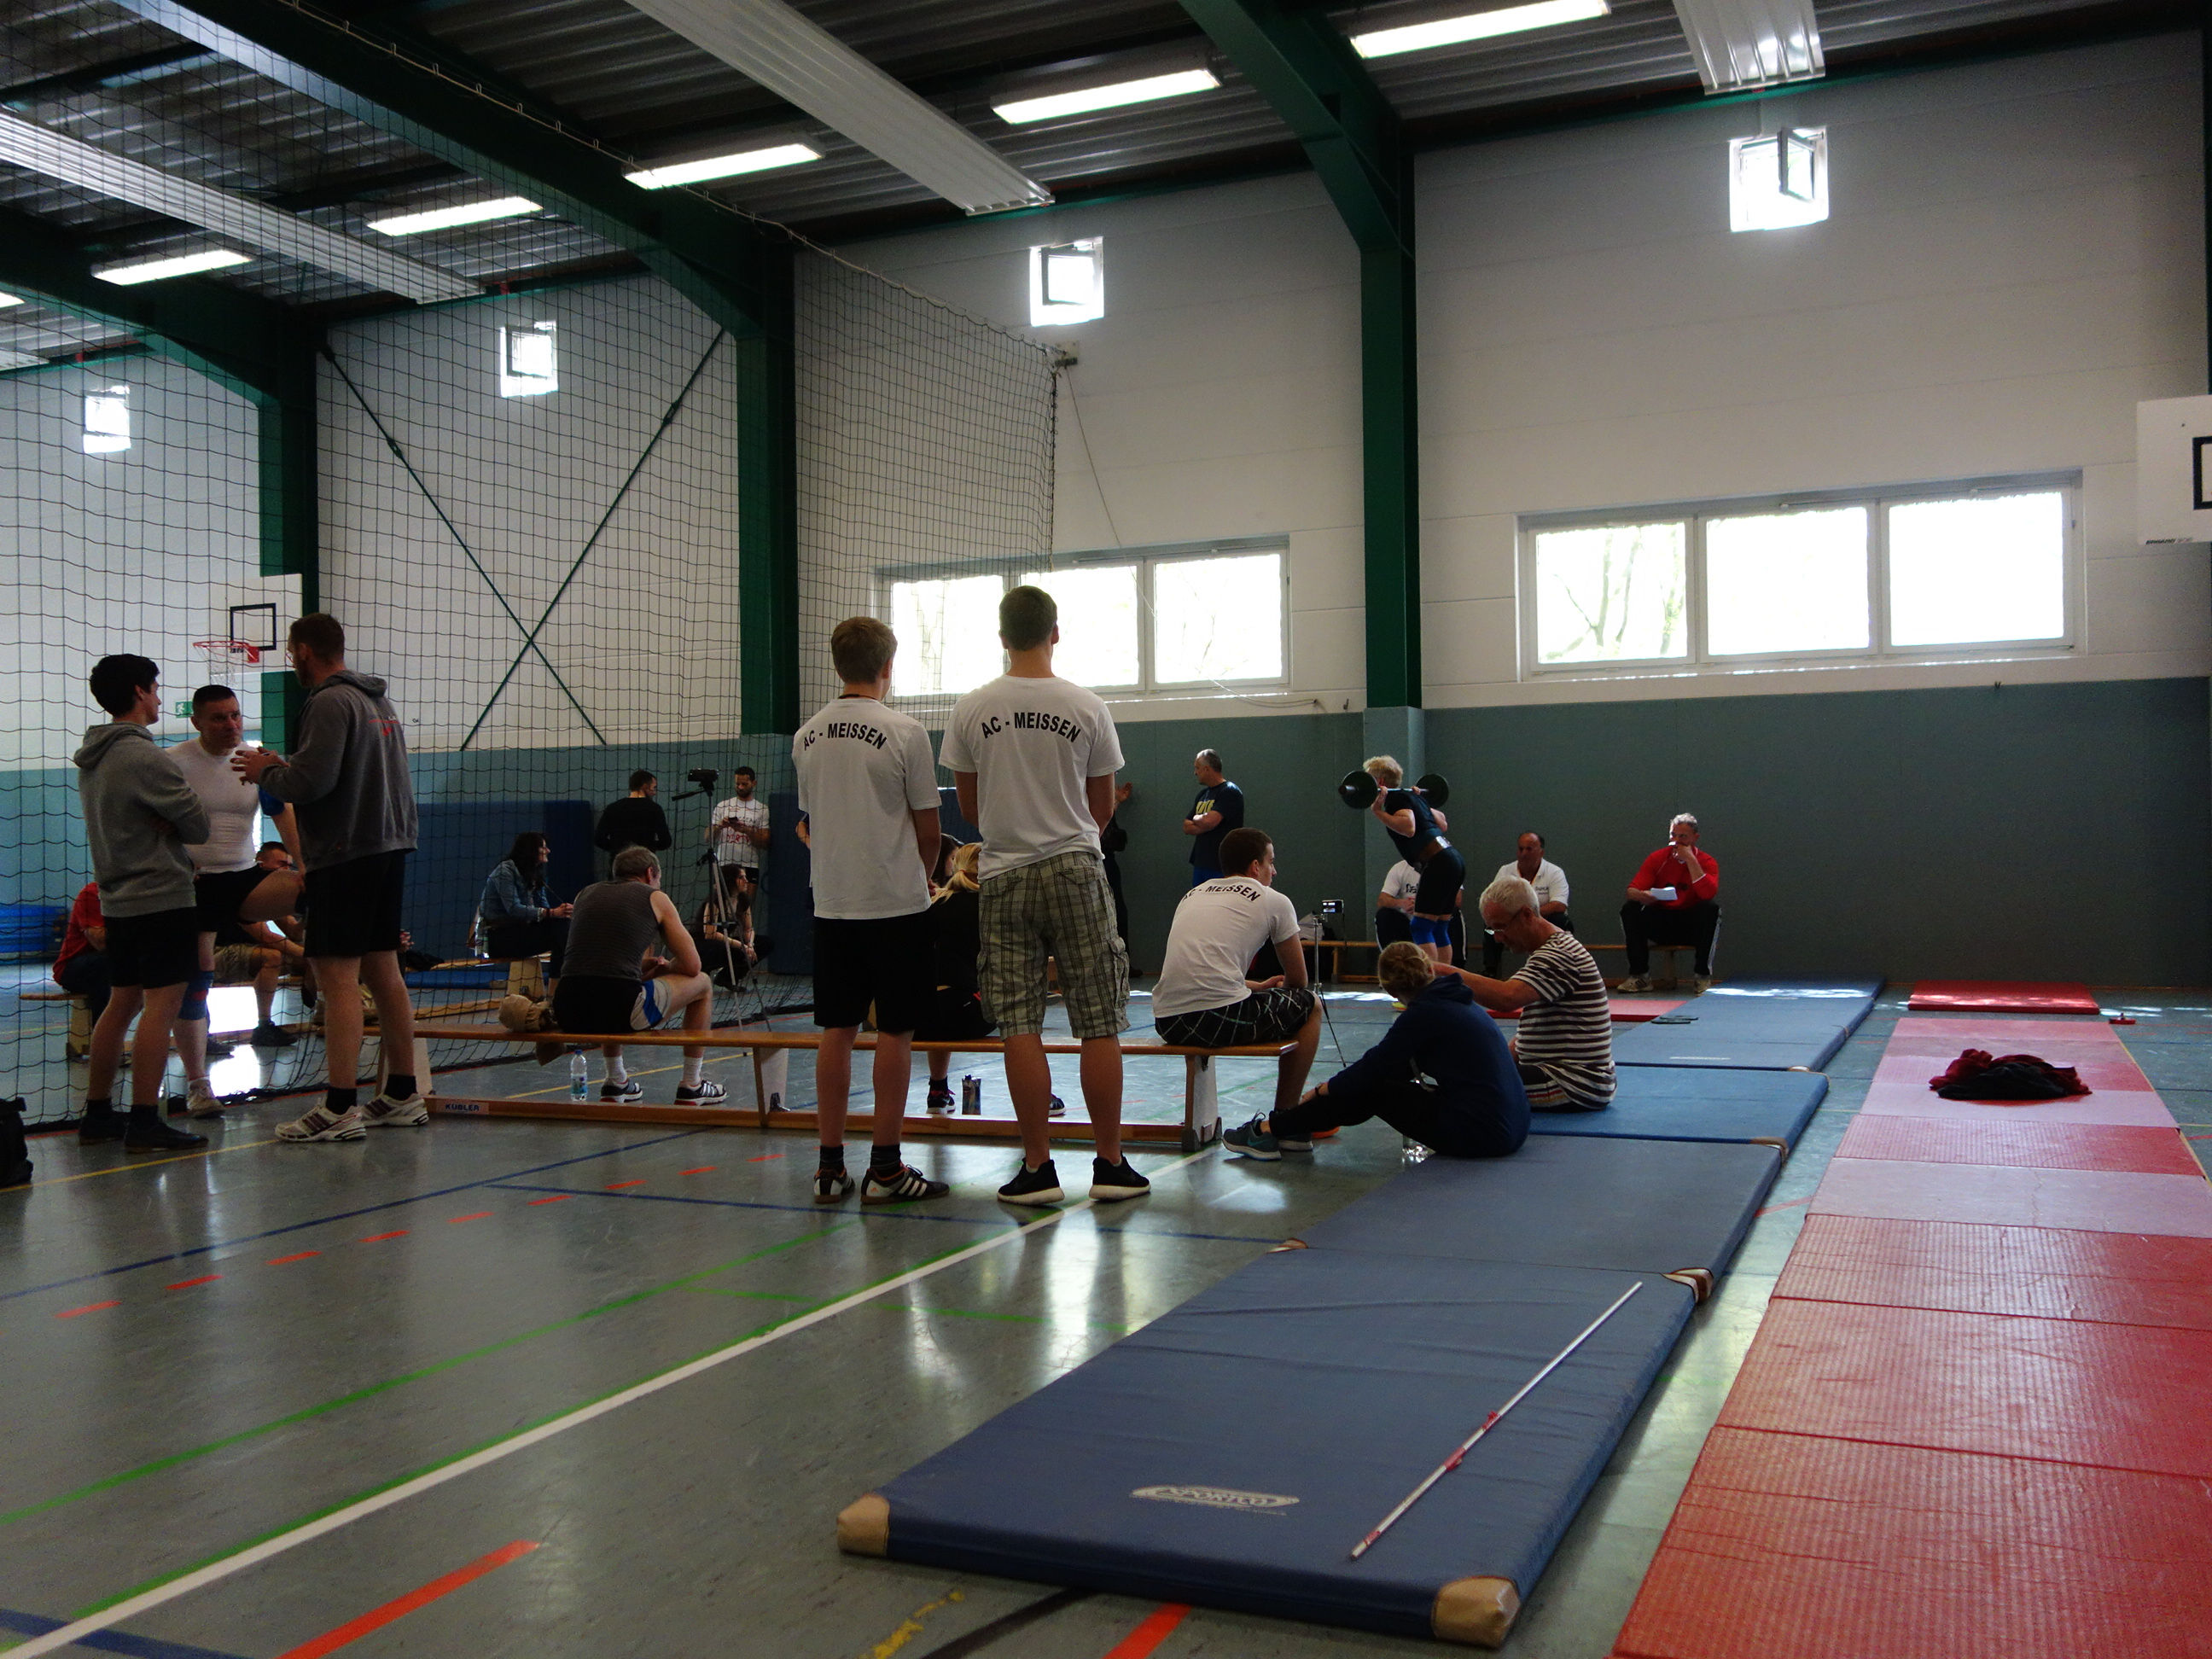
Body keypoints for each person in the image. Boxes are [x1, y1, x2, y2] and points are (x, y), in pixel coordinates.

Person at [941, 584, 1147, 1206]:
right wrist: (1068, 830)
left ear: (1003, 637)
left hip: (1004, 874)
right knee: (1099, 1022)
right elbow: (1102, 806)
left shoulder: (972, 708)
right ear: (1055, 633)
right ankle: (1110, 1165)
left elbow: (970, 807)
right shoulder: (1087, 706)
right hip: (1077, 867)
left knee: (1019, 1023)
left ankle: (1038, 1169)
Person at [233, 613, 425, 1144]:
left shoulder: (327, 702)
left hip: (345, 852)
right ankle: (403, 1094)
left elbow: (312, 783)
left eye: (291, 652)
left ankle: (340, 1106)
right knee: (384, 969)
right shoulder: (377, 702)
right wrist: (287, 765)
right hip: (389, 845)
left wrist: (267, 771)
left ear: (302, 651)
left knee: (337, 978)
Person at [793, 616, 949, 1204]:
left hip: (833, 903)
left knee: (837, 1028)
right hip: (896, 904)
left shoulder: (806, 736)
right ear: (888, 666)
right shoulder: (907, 732)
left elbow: (812, 820)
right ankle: (885, 1167)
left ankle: (829, 1167)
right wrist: (924, 877)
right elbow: (929, 830)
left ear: (838, 665)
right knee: (897, 1030)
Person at [72, 654, 212, 1151]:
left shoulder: (94, 756)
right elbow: (199, 826)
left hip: (118, 900)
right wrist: (176, 822)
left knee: (122, 1001)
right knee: (162, 1007)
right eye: (154, 688)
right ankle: (145, 1120)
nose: (157, 697)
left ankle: (97, 1114)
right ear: (138, 691)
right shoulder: (144, 756)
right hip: (161, 898)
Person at [1221, 941, 1529, 1161]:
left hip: (1486, 1135)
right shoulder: (1458, 1000)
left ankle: (1270, 1129)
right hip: (1513, 1125)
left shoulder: (1424, 1015)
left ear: (1390, 990)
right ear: (1428, 970)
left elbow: (1372, 1070)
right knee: (1377, 1085)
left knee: (1373, 1089)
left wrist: (1321, 1090)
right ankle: (1292, 1128)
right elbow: (1390, 1067)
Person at [172, 684, 306, 1080]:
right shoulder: (174, 762)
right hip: (197, 883)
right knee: (197, 972)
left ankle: (322, 976)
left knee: (319, 886)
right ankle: (198, 1080)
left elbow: (283, 812)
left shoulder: (254, 760)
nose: (231, 724)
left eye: (235, 715)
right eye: (218, 718)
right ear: (196, 722)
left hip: (244, 878)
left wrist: (304, 864)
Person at [1151, 827, 1321, 1121]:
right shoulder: (1273, 899)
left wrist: (1257, 987)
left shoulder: (1192, 894)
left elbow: (1202, 973)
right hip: (1217, 1019)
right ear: (1255, 866)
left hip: (1168, 1021)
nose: (1274, 871)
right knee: (1311, 1004)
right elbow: (1298, 980)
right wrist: (1277, 992)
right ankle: (1286, 1119)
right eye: (1271, 862)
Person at [550, 847, 725, 1104]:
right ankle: (692, 1084)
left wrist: (646, 966)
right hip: (620, 1011)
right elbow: (692, 965)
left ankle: (617, 1080)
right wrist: (666, 968)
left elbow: (601, 962)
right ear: (650, 873)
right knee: (703, 983)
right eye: (658, 878)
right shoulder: (655, 897)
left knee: (611, 986)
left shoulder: (585, 894)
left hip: (567, 1010)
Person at [1436, 875, 1615, 1111]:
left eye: (1501, 927)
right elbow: (1528, 1034)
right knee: (1467, 1071)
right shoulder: (1549, 949)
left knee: (1464, 1087)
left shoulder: (1558, 954)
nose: (1498, 938)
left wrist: (1441, 970)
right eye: (1492, 930)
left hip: (1573, 1083)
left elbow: (1506, 998)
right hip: (1572, 1078)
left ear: (1527, 915)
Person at [916, 841, 994, 1113]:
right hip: (964, 1014)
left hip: (920, 1015)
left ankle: (937, 1090)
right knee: (1019, 1008)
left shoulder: (935, 902)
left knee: (942, 999)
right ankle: (1038, 1092)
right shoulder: (988, 906)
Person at [1364, 755, 1463, 967]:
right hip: (1453, 859)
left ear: (1380, 781)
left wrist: (1378, 812)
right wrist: (1421, 802)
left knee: (1420, 927)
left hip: (1437, 862)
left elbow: (1409, 828)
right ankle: (1445, 980)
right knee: (1439, 927)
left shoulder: (1395, 799)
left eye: (1369, 779)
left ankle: (1429, 982)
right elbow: (1443, 824)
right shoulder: (1413, 797)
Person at [1620, 813, 1721, 992]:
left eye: (1683, 836)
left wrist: (1690, 859)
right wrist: (1643, 895)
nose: (1677, 841)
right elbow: (1631, 891)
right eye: (1673, 835)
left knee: (1711, 909)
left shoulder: (1707, 862)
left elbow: (1707, 894)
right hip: (1663, 923)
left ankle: (1702, 977)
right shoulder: (1658, 858)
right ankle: (1640, 977)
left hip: (1691, 926)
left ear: (1695, 838)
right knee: (1630, 909)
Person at [479, 832, 572, 976]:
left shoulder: (533, 873)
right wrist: (552, 913)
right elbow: (514, 909)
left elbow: (544, 907)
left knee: (564, 926)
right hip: (499, 937)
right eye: (543, 847)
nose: (548, 851)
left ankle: (558, 982)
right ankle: (558, 982)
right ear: (531, 850)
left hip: (520, 931)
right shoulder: (504, 872)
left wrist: (563, 913)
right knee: (560, 933)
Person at [1481, 831, 1573, 976]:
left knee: (1560, 919)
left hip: (1542, 920)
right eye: (1521, 849)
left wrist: (1530, 915)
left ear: (1541, 852)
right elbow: (1494, 899)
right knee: (1491, 927)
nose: (1524, 854)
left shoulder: (1554, 872)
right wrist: (1515, 917)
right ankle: (1490, 970)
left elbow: (1559, 905)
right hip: (1512, 920)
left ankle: (1558, 966)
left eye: (1529, 849)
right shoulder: (1505, 871)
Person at [709, 766, 771, 912]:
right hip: (725, 864)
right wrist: (720, 826)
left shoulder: (761, 809)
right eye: (737, 784)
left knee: (744, 910)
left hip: (749, 865)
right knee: (719, 908)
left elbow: (765, 842)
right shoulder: (723, 806)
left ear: (754, 783)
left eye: (744, 784)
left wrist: (746, 830)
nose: (740, 787)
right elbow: (708, 836)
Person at [53, 881, 112, 1027]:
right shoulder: (92, 893)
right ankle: (102, 1032)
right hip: (74, 967)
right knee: (106, 964)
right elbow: (100, 942)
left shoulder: (138, 896)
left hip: (111, 962)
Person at [1182, 749, 1244, 886]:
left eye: (1197, 768)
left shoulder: (1229, 791)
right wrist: (1203, 823)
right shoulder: (1203, 794)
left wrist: (1197, 819)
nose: (1195, 773)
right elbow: (1186, 826)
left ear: (1206, 769)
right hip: (1201, 862)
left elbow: (1210, 822)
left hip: (1221, 864)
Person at [595, 771, 672, 867]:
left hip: (619, 864)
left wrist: (618, 848)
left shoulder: (613, 808)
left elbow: (599, 839)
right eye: (654, 788)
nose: (654, 793)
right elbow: (665, 842)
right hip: (644, 865)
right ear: (645, 786)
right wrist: (647, 848)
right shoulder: (655, 809)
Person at [1101, 780, 1133, 946]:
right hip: (1101, 859)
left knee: (1116, 909)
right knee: (1115, 910)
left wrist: (1116, 801)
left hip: (1104, 859)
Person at [1375, 859, 1419, 948]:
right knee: (1384, 915)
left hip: (1433, 922)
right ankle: (1392, 954)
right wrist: (1401, 903)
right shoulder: (1400, 868)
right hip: (1408, 924)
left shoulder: (1442, 868)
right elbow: (1382, 900)